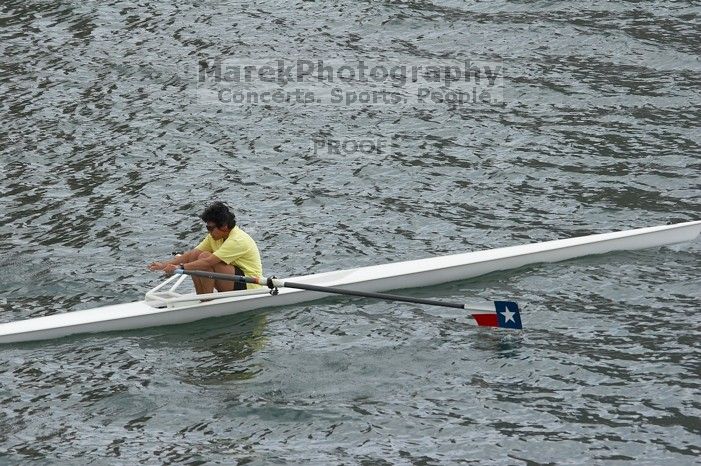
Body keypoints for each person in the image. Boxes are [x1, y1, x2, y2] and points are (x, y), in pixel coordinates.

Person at [148, 202, 263, 294]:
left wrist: (180, 267)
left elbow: (208, 262)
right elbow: (191, 254)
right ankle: (202, 297)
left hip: (249, 285)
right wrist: (164, 265)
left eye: (210, 228)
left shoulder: (237, 240)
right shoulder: (214, 236)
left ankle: (206, 300)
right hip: (232, 280)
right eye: (207, 228)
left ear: (224, 226)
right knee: (194, 256)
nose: (209, 231)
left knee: (204, 258)